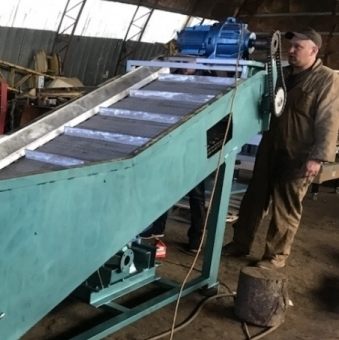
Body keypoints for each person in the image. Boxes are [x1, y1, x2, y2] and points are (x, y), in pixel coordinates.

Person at [222, 28, 339, 269]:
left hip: (299, 152)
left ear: (314, 51)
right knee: (254, 198)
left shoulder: (327, 78)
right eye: (291, 46)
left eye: (298, 47)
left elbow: (329, 119)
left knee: (286, 206)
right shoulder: (281, 74)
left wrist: (318, 157)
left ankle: (275, 256)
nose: (291, 50)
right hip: (270, 145)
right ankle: (240, 243)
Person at [140, 66, 208, 253]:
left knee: (196, 194)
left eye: (189, 64)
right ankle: (158, 227)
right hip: (172, 142)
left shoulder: (208, 78)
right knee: (164, 187)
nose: (185, 67)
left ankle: (196, 238)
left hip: (195, 145)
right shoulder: (173, 76)